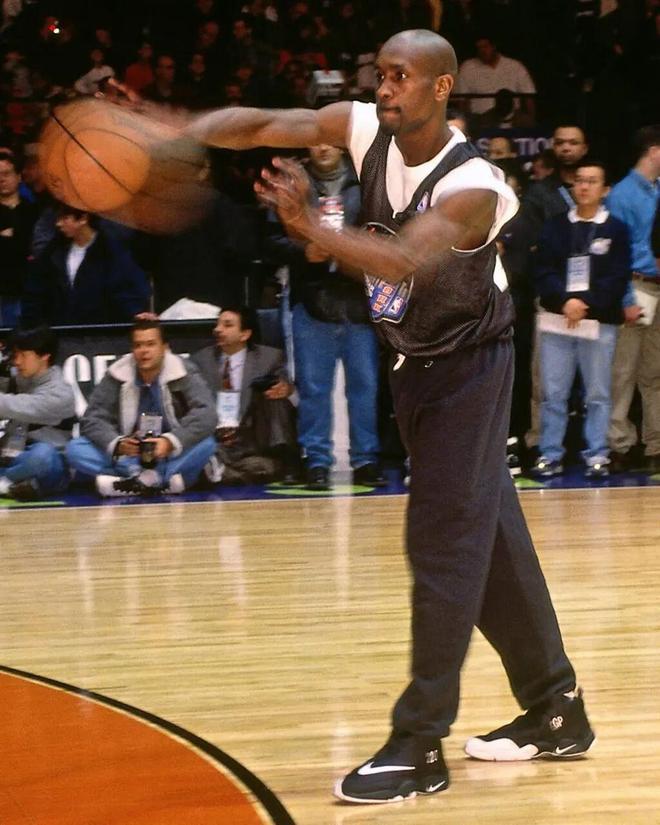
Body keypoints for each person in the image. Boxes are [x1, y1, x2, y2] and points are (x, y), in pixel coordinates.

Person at [181, 28, 595, 805]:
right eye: (380, 74)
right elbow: (266, 122)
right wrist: (179, 129)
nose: (384, 88)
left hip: (470, 372)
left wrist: (309, 227)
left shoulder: (475, 186)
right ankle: (556, 706)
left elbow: (404, 257)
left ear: (442, 87)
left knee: (442, 545)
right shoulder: (367, 127)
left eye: (401, 76)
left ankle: (419, 744)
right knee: (492, 542)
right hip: (414, 365)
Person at [264, 144, 385, 491]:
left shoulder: (367, 180)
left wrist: (358, 249)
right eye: (317, 141)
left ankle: (366, 459)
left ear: (340, 144)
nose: (323, 147)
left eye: (329, 140)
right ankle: (316, 460)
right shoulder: (292, 183)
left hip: (358, 300)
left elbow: (386, 231)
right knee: (314, 387)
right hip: (312, 300)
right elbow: (269, 241)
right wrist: (304, 251)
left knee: (365, 386)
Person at [533, 159, 631, 478]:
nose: (584, 186)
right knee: (553, 393)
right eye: (579, 180)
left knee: (598, 393)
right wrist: (565, 301)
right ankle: (550, 453)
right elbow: (543, 269)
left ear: (606, 189)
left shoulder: (615, 229)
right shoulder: (555, 225)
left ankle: (597, 453)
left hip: (598, 321)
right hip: (557, 319)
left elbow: (617, 278)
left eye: (592, 181)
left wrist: (584, 303)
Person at [66, 320, 217, 497]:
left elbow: (206, 414)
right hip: (130, 455)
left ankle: (132, 483)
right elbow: (93, 418)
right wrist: (117, 444)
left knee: (207, 444)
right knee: (75, 449)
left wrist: (171, 441)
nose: (144, 351)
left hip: (168, 453)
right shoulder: (117, 373)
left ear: (164, 348)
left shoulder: (183, 371)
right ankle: (158, 481)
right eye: (138, 345)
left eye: (150, 344)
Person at [191, 306, 299, 485]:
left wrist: (288, 390)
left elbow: (293, 398)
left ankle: (284, 460)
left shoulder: (270, 358)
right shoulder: (200, 360)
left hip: (251, 437)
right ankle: (235, 470)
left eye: (227, 325)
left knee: (275, 395)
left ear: (245, 334)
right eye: (217, 324)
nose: (218, 330)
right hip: (216, 438)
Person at [606, 125, 660, 474]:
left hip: (657, 286)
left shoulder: (658, 189)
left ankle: (656, 445)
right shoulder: (623, 194)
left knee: (655, 372)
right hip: (637, 285)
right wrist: (626, 296)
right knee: (623, 371)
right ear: (654, 151)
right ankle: (620, 445)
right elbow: (617, 251)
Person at [22, 204, 150, 327]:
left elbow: (124, 288)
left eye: (65, 218)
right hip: (60, 331)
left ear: (83, 219)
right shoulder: (53, 251)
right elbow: (36, 291)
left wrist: (135, 312)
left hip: (99, 331)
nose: (58, 224)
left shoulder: (111, 252)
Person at [0, 326, 75, 500]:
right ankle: (12, 486)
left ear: (44, 356)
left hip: (49, 465)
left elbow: (13, 405)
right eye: (15, 355)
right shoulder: (17, 378)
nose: (17, 362)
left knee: (43, 455)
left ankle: (8, 482)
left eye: (23, 355)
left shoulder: (60, 394)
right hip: (12, 457)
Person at [0, 151, 38, 327]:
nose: (1, 179)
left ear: (19, 176)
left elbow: (33, 249)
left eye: (6, 174)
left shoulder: (33, 211)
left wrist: (7, 239)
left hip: (27, 290)